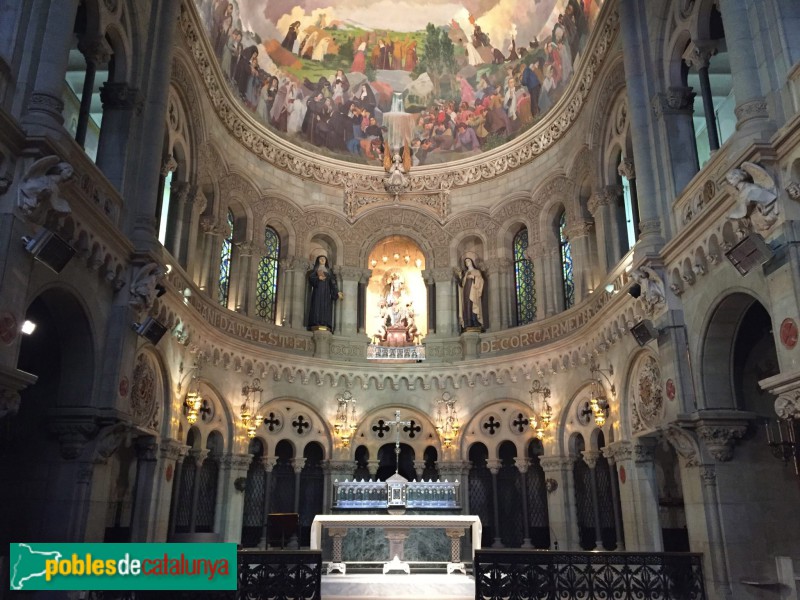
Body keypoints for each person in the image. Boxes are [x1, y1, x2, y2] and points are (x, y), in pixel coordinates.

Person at [307, 255, 342, 331]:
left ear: (326, 261)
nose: (322, 260)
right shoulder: (316, 269)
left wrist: (337, 292)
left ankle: (325, 323)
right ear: (318, 260)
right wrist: (318, 278)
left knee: (325, 306)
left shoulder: (328, 271)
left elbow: (332, 282)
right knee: (317, 305)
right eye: (321, 259)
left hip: (326, 292)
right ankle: (316, 322)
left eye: (324, 259)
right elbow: (311, 278)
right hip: (317, 291)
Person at [459, 257, 484, 330]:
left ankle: (474, 320)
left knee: (473, 304)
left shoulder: (477, 271)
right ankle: (468, 322)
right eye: (466, 262)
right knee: (467, 305)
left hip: (473, 291)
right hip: (466, 291)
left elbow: (481, 280)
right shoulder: (466, 273)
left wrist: (473, 277)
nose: (467, 263)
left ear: (472, 262)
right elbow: (462, 284)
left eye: (468, 261)